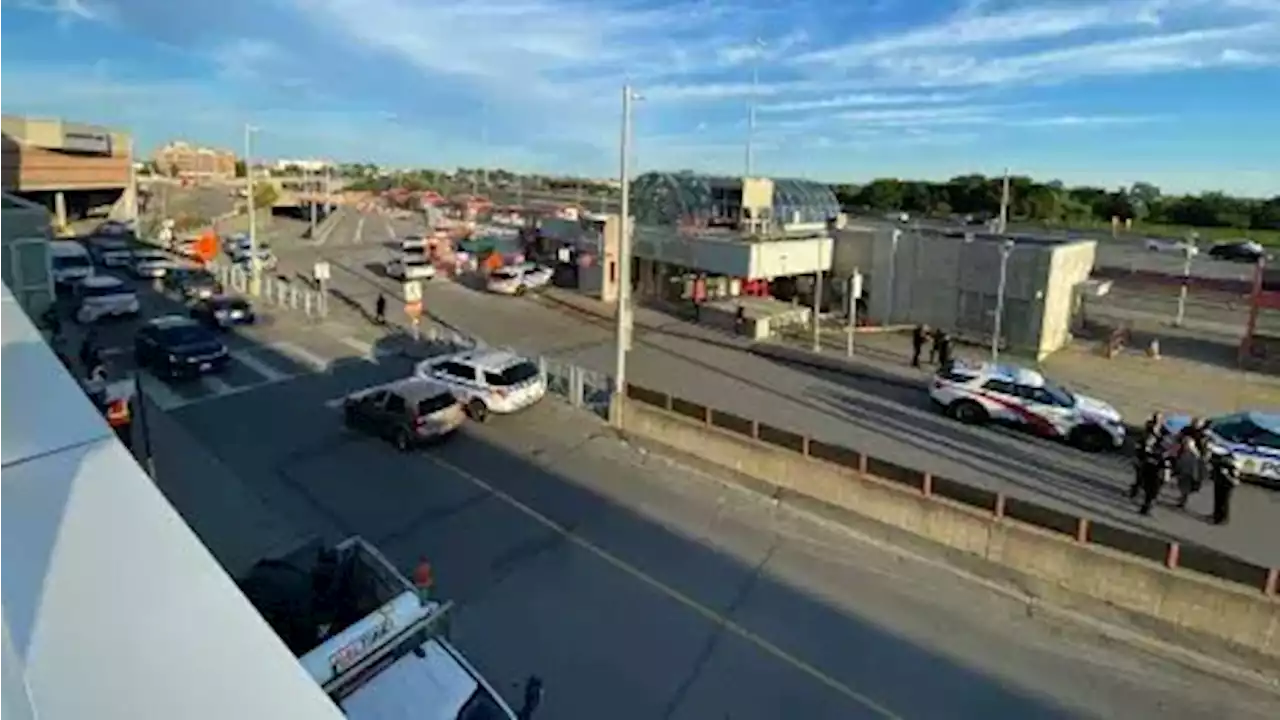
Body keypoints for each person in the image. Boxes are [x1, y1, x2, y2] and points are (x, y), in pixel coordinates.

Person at [1173, 418, 1209, 509]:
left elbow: (1204, 448)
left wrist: (1201, 455)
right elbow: (1177, 438)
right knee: (1182, 478)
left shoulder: (1203, 434)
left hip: (1194, 459)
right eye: (1195, 422)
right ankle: (1183, 496)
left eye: (1198, 423)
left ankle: (1184, 497)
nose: (1196, 424)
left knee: (1189, 479)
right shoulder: (1186, 429)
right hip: (1183, 456)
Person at [1128, 412, 1165, 499]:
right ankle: (1135, 491)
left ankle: (1145, 492)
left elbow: (1162, 442)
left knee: (1147, 476)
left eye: (1159, 419)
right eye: (1156, 418)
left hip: (1151, 456)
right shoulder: (1149, 427)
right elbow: (1142, 438)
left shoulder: (1162, 429)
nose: (1157, 420)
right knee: (1139, 475)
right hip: (1142, 454)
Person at [1134, 429, 1165, 516]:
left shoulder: (1158, 452)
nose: (1150, 441)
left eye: (1152, 439)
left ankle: (1146, 507)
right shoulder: (1145, 451)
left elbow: (1164, 464)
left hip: (1155, 476)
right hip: (1146, 474)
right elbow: (1140, 458)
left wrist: (1165, 477)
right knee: (1147, 491)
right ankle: (1146, 506)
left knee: (1151, 494)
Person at [1209, 450, 1240, 525]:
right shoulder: (1220, 464)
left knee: (1224, 503)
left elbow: (1235, 482)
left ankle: (1222, 519)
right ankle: (1216, 515)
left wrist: (1226, 475)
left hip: (1226, 487)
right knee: (1217, 501)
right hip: (1218, 484)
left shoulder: (1233, 468)